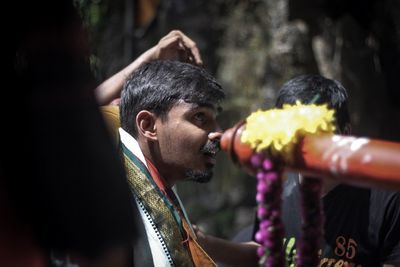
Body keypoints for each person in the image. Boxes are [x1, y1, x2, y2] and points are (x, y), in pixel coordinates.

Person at [233, 74, 400, 266]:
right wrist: (204, 242)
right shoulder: (276, 194)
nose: (304, 146)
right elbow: (260, 254)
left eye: (317, 134)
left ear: (345, 135)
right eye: (295, 134)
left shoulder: (387, 200)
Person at [118, 59, 226, 266]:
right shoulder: (107, 196)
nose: (219, 133)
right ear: (148, 125)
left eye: (216, 119)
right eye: (200, 117)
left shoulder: (163, 192)